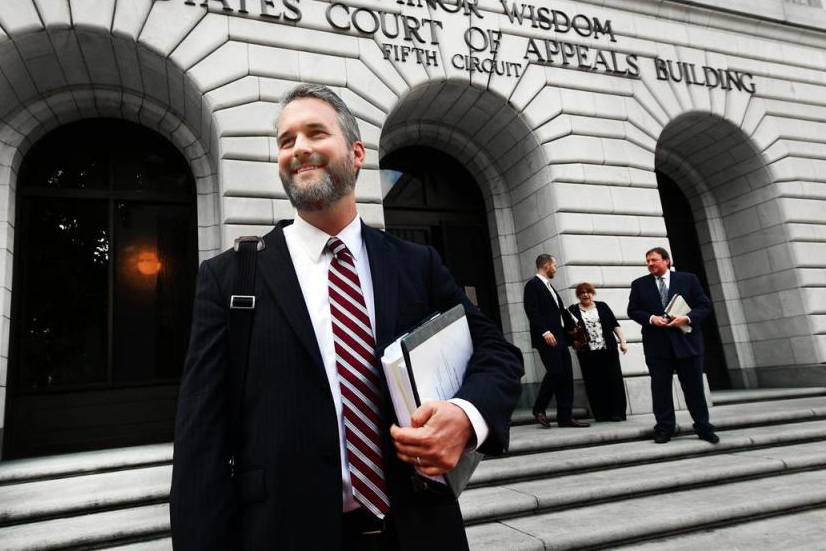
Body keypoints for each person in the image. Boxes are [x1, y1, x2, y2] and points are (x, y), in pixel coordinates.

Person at [170, 83, 524, 550]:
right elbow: (200, 441)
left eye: (316, 132)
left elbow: (498, 352)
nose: (299, 149)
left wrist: (465, 416)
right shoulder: (230, 278)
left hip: (421, 531)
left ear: (357, 153)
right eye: (286, 140)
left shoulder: (416, 264)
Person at [627, 247, 718, 444]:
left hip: (688, 345)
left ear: (667, 261)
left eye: (654, 260)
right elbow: (633, 311)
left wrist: (685, 318)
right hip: (657, 348)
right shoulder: (639, 285)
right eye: (648, 261)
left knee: (694, 389)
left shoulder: (688, 279)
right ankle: (664, 428)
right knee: (660, 390)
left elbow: (704, 305)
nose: (650, 264)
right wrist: (651, 319)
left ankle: (703, 427)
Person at [523, 254, 588, 428]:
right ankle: (539, 408)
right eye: (555, 265)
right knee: (556, 371)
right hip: (547, 338)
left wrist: (570, 338)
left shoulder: (550, 287)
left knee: (566, 375)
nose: (556, 269)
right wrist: (544, 332)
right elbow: (532, 311)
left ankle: (565, 417)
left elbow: (560, 315)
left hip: (560, 337)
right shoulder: (532, 285)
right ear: (547, 266)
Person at [568, 282, 628, 422]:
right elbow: (569, 332)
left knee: (614, 380)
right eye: (582, 292)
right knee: (594, 383)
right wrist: (574, 343)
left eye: (588, 292)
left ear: (592, 293)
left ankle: (617, 413)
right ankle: (601, 413)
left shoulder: (602, 306)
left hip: (608, 350)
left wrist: (623, 342)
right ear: (578, 295)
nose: (585, 294)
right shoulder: (573, 310)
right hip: (587, 354)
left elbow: (614, 325)